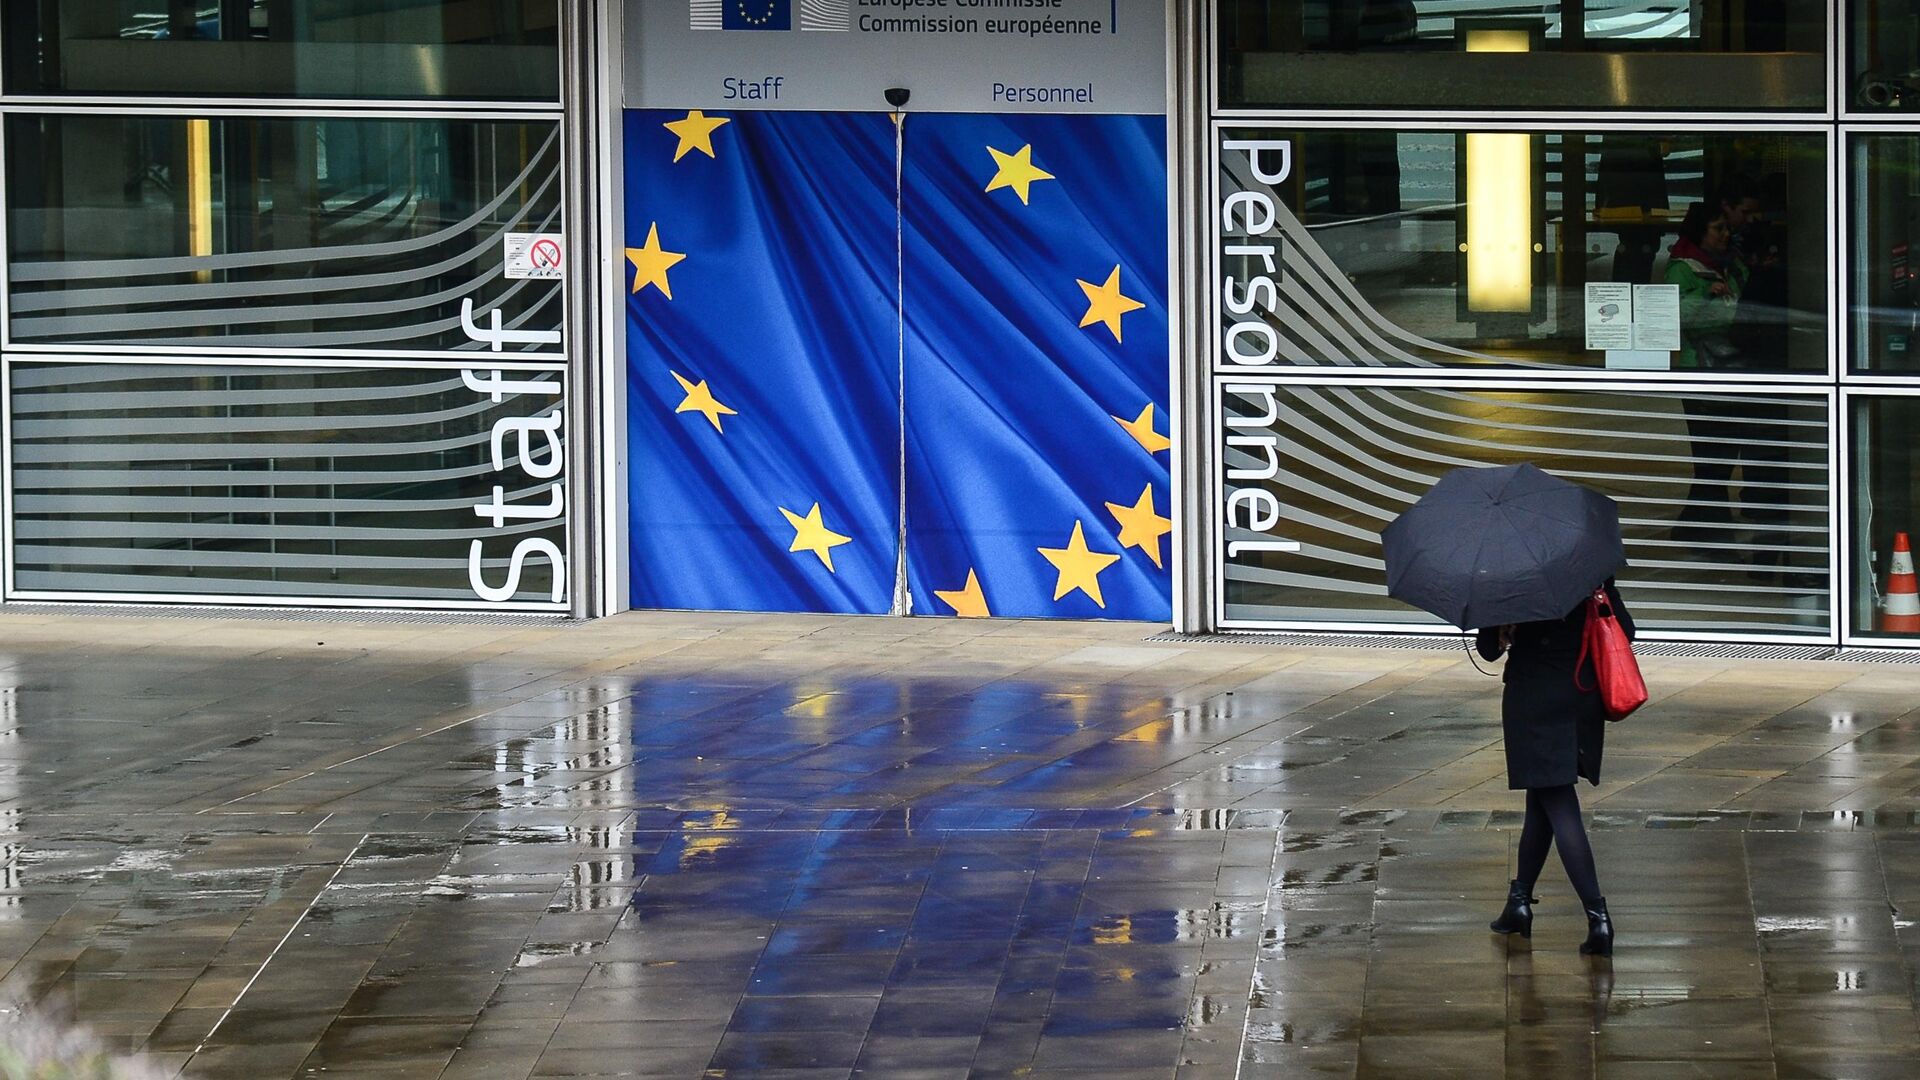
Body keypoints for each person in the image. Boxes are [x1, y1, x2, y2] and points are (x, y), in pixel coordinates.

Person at [1476, 578, 1635, 956]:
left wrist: (1504, 630)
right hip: (1580, 693)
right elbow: (1626, 630)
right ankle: (1518, 902)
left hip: (1533, 698)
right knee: (1543, 797)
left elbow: (1487, 650)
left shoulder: (1509, 573)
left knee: (1559, 803)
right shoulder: (1588, 568)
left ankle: (1598, 917)